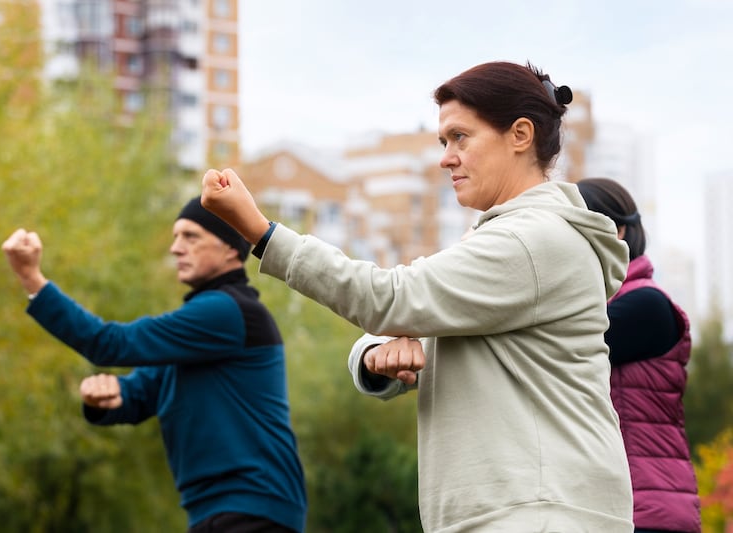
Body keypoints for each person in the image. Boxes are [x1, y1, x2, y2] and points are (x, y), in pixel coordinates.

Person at [199, 61, 635, 532]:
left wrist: (261, 233)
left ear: (520, 135)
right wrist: (375, 355)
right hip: (522, 509)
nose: (446, 157)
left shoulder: (531, 241)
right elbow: (400, 319)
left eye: (460, 137)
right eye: (443, 142)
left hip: (541, 512)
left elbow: (391, 297)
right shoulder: (509, 241)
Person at [1, 198, 307, 533]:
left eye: (191, 237)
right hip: (225, 510)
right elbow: (138, 394)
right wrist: (105, 397)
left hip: (251, 507)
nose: (176, 249)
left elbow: (108, 343)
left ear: (230, 249)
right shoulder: (199, 330)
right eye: (175, 238)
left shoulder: (226, 312)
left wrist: (32, 278)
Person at [576, 177, 701, 533]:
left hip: (647, 511)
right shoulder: (604, 305)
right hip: (617, 508)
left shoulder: (646, 305)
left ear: (614, 232)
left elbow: (560, 343)